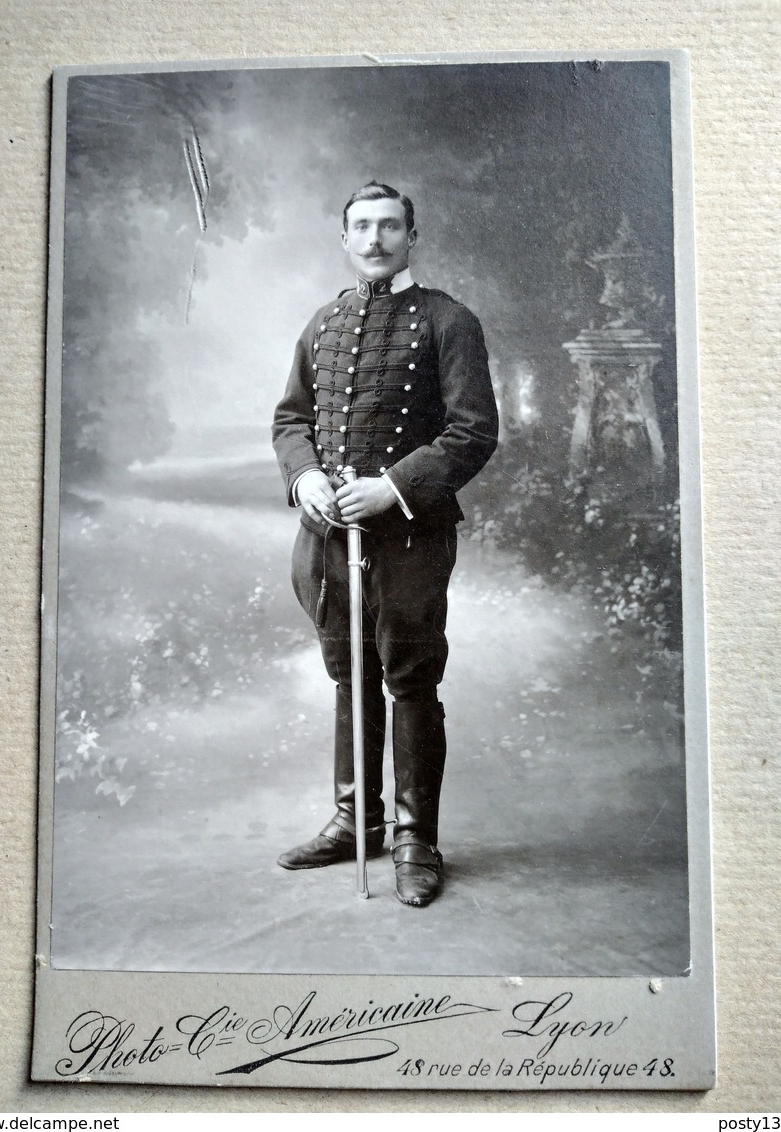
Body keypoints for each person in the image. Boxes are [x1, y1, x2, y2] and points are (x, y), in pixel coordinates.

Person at [272, 181, 498, 906]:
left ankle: (413, 837)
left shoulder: (447, 321)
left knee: (407, 679)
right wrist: (304, 479)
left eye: (389, 227)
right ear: (344, 238)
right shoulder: (325, 321)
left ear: (412, 236)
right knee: (348, 675)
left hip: (408, 536)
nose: (374, 240)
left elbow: (472, 432)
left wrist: (393, 488)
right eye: (361, 227)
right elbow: (289, 421)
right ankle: (354, 820)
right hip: (328, 536)